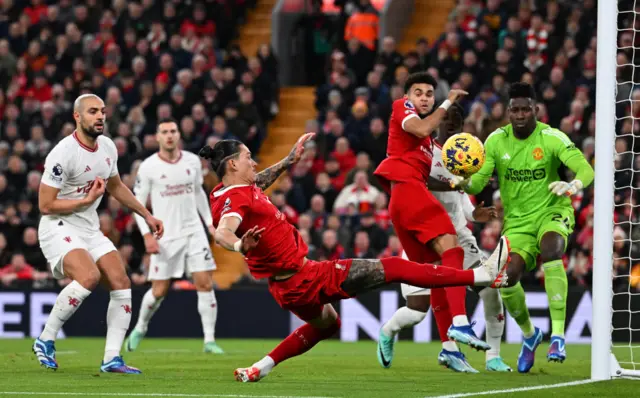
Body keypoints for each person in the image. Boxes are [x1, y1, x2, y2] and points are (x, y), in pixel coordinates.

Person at [203, 135, 510, 382]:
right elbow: (222, 232)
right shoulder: (234, 200)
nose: (253, 162)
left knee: (328, 325)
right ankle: (479, 276)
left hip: (287, 289)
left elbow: (257, 184)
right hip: (306, 277)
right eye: (247, 158)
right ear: (231, 164)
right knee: (395, 268)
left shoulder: (235, 189)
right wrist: (240, 246)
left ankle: (262, 366)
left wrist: (288, 162)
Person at [454, 82, 594, 372]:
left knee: (551, 249)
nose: (519, 115)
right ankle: (530, 336)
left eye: (525, 109)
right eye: (514, 110)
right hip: (517, 223)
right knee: (507, 279)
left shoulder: (551, 137)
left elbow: (586, 169)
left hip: (552, 211)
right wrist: (463, 181)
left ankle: (558, 336)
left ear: (535, 110)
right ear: (508, 112)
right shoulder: (495, 141)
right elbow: (480, 182)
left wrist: (573, 184)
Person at [373, 72, 505, 360]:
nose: (450, 128)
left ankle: (463, 350)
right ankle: (449, 324)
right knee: (419, 305)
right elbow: (422, 136)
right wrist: (448, 101)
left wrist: (471, 207)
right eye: (418, 93)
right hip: (417, 211)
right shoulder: (415, 127)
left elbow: (455, 195)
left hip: (431, 218)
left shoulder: (438, 152)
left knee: (450, 278)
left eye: (428, 94)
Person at [33, 94, 164, 373]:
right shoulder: (62, 153)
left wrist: (146, 214)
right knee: (89, 276)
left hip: (88, 226)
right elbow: (45, 205)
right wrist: (82, 202)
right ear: (77, 117)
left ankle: (111, 358)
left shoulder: (107, 147)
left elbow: (116, 187)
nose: (100, 116)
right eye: (93, 111)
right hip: (58, 224)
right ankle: (45, 339)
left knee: (120, 281)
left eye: (102, 111)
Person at [125, 118, 224, 354]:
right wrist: (147, 235)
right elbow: (138, 205)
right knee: (159, 290)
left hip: (194, 232)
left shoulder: (191, 161)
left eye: (173, 131)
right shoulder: (148, 167)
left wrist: (209, 223)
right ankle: (140, 327)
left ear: (178, 134)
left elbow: (199, 193)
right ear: (157, 137)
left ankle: (209, 340)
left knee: (204, 282)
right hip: (165, 235)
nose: (169, 135)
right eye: (164, 132)